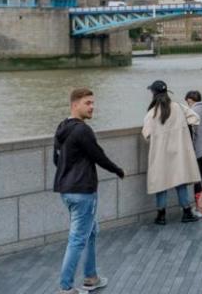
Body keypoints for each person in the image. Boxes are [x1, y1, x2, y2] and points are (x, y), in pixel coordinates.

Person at [53, 88, 125, 294]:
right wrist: (118, 170)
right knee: (77, 238)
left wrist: (68, 172)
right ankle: (65, 288)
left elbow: (56, 159)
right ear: (75, 105)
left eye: (93, 103)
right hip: (82, 191)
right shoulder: (82, 130)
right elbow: (98, 156)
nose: (92, 107)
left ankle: (91, 277)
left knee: (90, 231)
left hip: (66, 189)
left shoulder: (62, 127)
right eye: (88, 103)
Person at [143, 80, 201, 225]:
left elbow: (146, 134)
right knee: (180, 182)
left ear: (154, 94)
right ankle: (187, 212)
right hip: (179, 152)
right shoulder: (179, 107)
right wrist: (182, 127)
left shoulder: (152, 113)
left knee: (161, 184)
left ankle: (161, 216)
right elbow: (196, 118)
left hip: (160, 154)